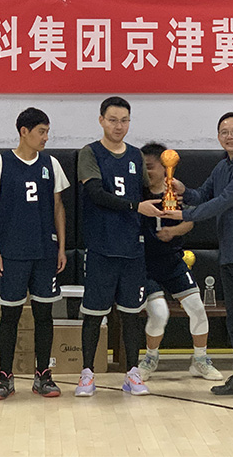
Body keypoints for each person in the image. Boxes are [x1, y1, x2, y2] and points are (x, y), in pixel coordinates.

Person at [164, 112, 233, 400]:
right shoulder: (222, 166)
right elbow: (204, 195)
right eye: (224, 132)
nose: (230, 136)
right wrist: (183, 191)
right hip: (230, 253)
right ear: (218, 137)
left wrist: (185, 215)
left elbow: (223, 201)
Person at [74, 96, 164, 397]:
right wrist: (135, 206)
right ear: (101, 120)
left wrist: (167, 190)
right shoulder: (90, 153)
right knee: (93, 314)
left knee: (131, 314)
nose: (118, 126)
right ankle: (87, 374)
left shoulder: (136, 155)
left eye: (124, 121)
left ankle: (132, 373)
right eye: (113, 120)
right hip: (101, 246)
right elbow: (96, 194)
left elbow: (144, 193)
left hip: (132, 248)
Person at [0, 108, 70, 400]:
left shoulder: (51, 164)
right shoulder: (0, 163)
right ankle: (4, 377)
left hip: (44, 252)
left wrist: (61, 247)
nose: (46, 137)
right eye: (41, 132)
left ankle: (43, 375)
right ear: (24, 131)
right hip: (12, 252)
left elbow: (58, 207)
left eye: (47, 132)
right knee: (10, 315)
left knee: (44, 315)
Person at [136, 142, 223, 382]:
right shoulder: (137, 193)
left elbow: (190, 220)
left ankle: (200, 361)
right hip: (145, 266)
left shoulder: (175, 191)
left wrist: (172, 232)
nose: (146, 172)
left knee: (197, 309)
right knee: (159, 313)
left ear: (165, 167)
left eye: (150, 167)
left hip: (173, 262)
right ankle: (150, 358)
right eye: (143, 167)